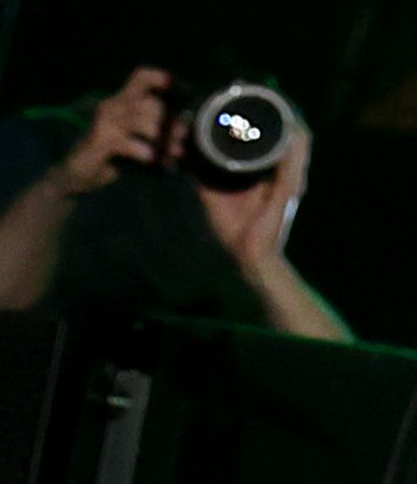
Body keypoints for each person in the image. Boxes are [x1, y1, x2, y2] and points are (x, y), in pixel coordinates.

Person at [0, 67, 351, 343]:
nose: (229, 123)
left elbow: (358, 403)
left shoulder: (251, 205)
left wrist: (261, 261)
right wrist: (62, 186)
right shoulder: (45, 146)